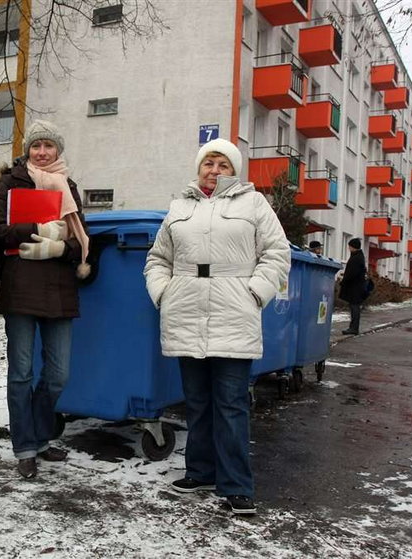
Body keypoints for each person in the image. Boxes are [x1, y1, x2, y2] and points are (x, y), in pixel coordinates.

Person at [143, 138, 290, 515]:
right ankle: (200, 472)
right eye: (208, 164)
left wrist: (254, 293)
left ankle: (236, 485)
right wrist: (164, 292)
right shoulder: (180, 206)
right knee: (197, 402)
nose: (214, 171)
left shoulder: (253, 203)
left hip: (233, 314)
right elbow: (158, 258)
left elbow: (277, 253)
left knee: (231, 403)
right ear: (198, 169)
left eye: (222, 164)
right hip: (187, 312)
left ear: (234, 169)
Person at [0, 120, 90, 480]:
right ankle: (25, 447)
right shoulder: (11, 182)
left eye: (48, 146)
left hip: (59, 288)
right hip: (21, 286)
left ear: (58, 151)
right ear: (27, 150)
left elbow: (82, 241)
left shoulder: (69, 187)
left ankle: (41, 434)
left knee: (58, 374)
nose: (42, 153)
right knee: (21, 373)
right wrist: (35, 230)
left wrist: (60, 247)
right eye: (36, 146)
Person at [339, 237, 366, 335]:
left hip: (355, 287)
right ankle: (353, 327)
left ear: (353, 247)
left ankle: (354, 328)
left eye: (349, 246)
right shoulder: (359, 256)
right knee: (354, 306)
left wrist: (344, 282)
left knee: (354, 306)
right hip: (357, 286)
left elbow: (351, 273)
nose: (348, 248)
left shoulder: (356, 258)